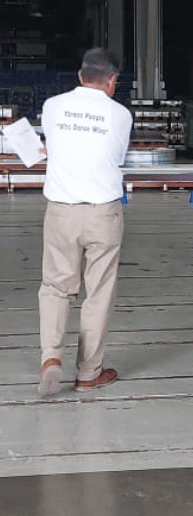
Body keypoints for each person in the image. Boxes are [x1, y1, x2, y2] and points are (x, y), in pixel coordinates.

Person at [37, 48, 133, 395]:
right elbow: (115, 156)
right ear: (111, 80)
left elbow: (53, 146)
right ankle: (89, 373)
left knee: (55, 287)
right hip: (102, 213)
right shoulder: (120, 114)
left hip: (61, 211)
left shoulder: (52, 106)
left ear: (80, 76)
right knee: (99, 291)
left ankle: (51, 358)